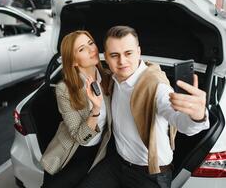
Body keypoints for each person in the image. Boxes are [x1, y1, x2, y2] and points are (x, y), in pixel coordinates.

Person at [77, 25, 210, 188]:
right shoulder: (113, 79)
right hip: (117, 163)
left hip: (150, 175)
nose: (122, 61)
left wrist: (197, 115)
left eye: (128, 53)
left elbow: (180, 121)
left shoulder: (156, 86)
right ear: (106, 57)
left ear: (139, 52)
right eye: (114, 55)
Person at [40, 30, 112, 188]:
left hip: (97, 152)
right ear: (73, 61)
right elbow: (80, 137)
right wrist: (96, 109)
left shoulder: (108, 78)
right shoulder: (64, 89)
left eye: (91, 43)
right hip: (69, 154)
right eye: (82, 49)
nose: (91, 49)